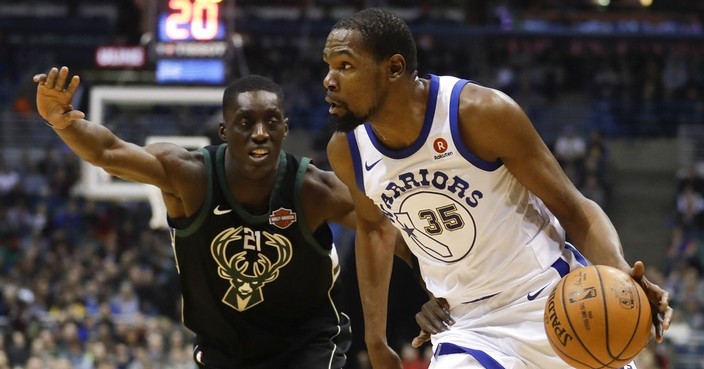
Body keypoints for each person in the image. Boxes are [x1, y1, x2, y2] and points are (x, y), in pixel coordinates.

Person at [322, 7, 673, 369]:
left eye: (345, 66)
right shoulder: (346, 150)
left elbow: (575, 207)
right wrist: (376, 340)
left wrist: (621, 273)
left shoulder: (478, 113)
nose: (329, 80)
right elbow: (375, 229)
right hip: (469, 325)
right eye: (328, 66)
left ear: (394, 68)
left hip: (553, 299)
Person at [33, 68, 361, 369]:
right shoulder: (190, 177)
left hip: (306, 345)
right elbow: (108, 152)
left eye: (271, 122)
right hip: (225, 349)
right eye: (246, 122)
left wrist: (415, 286)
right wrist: (62, 121)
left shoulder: (314, 189)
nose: (260, 133)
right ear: (223, 130)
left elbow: (388, 228)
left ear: (286, 129)